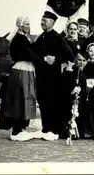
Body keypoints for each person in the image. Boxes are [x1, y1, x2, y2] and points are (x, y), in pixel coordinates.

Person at [31, 11, 75, 141]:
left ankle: (54, 129)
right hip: (40, 76)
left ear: (52, 22)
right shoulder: (40, 37)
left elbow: (69, 55)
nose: (42, 22)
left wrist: (55, 59)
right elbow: (32, 52)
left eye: (45, 20)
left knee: (52, 102)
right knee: (42, 101)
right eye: (41, 20)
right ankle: (45, 128)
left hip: (53, 78)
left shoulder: (57, 37)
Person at [0, 17, 38, 141]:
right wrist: (40, 59)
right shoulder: (18, 40)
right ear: (20, 26)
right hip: (21, 71)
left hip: (28, 70)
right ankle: (16, 129)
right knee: (19, 98)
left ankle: (21, 127)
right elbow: (27, 55)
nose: (29, 26)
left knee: (26, 98)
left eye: (29, 24)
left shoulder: (26, 38)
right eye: (26, 24)